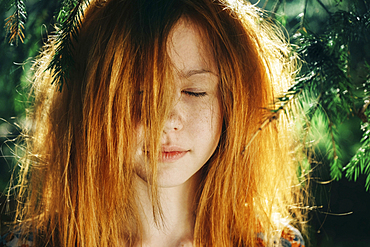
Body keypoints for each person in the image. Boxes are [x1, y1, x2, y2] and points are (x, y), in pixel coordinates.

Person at [1, 0, 307, 246]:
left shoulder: (273, 243)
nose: (167, 121)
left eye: (195, 91)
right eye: (140, 93)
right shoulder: (30, 243)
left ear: (233, 100)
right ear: (91, 104)